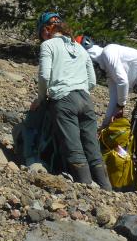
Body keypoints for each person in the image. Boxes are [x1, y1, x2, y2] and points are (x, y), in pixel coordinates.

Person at [78, 36, 137, 189]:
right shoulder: (108, 69)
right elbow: (114, 98)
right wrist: (105, 125)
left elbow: (123, 82)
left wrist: (121, 105)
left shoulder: (108, 52)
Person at [32, 12, 110, 190]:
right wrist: (79, 86)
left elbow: (44, 75)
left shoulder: (48, 45)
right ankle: (108, 191)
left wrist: (42, 98)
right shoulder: (80, 48)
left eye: (41, 33)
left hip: (64, 99)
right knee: (93, 149)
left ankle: (86, 190)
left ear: (46, 30)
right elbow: (92, 81)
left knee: (74, 149)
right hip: (85, 100)